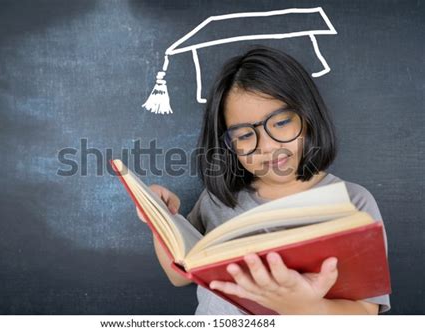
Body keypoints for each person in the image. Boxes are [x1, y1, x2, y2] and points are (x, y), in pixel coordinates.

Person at [136, 46, 390, 315]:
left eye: (280, 123)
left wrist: (305, 308)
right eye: (244, 135)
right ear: (229, 144)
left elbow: (365, 312)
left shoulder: (353, 203)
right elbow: (178, 275)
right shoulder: (218, 198)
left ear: (307, 118)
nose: (267, 147)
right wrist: (160, 218)